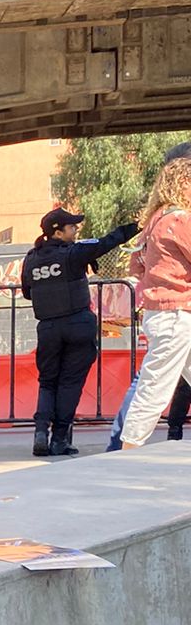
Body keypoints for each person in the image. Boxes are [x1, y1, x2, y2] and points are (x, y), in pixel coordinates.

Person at [20, 206, 139, 456]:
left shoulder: (31, 258)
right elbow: (108, 242)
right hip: (78, 325)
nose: (75, 230)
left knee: (48, 382)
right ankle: (59, 439)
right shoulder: (73, 253)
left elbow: (28, 293)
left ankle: (40, 432)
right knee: (69, 384)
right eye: (72, 227)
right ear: (58, 232)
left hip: (48, 328)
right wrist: (137, 225)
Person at [119, 157, 191, 448]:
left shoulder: (154, 222)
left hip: (164, 311)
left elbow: (136, 267)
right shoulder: (180, 220)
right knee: (154, 389)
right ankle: (127, 451)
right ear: (184, 183)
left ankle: (127, 449)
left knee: (154, 385)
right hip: (178, 312)